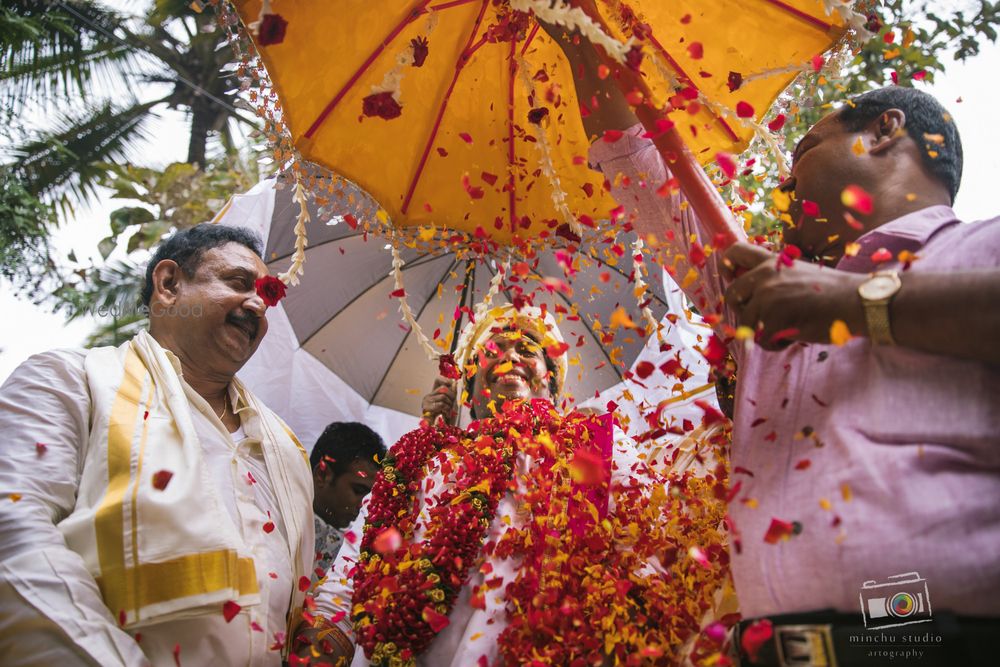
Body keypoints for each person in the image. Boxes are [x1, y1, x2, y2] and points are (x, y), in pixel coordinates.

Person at [550, 25, 999, 666]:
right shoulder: (769, 314)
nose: (785, 189)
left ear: (882, 131)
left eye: (804, 153)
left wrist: (851, 307)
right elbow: (650, 185)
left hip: (938, 642)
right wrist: (578, 40)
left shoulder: (977, 247)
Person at [297, 305, 731, 666]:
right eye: (494, 349)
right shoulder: (422, 461)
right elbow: (351, 581)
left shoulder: (599, 448)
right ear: (468, 389)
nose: (511, 357)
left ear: (553, 386)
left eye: (527, 349)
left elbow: (654, 559)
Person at [0, 224, 315, 666]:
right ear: (168, 284)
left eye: (267, 294)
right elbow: (13, 535)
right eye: (238, 283)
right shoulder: (71, 382)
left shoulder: (285, 448)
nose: (258, 305)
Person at [310, 422, 386, 579]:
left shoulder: (353, 548)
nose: (365, 506)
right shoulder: (275, 517)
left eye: (371, 497)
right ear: (322, 475)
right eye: (358, 491)